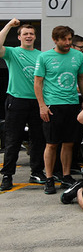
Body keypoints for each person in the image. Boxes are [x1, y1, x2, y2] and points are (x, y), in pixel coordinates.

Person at [34, 25, 83, 194]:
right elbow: (38, 82)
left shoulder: (77, 56)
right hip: (53, 106)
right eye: (64, 39)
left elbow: (81, 78)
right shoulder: (44, 57)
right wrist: (42, 105)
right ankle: (49, 178)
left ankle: (66, 176)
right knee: (51, 144)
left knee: (68, 143)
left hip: (72, 104)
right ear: (55, 40)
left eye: (69, 39)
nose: (67, 42)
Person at [0, 19, 45, 190]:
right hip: (16, 101)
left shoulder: (41, 56)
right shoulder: (12, 53)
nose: (28, 36)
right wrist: (9, 26)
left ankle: (36, 172)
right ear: (19, 37)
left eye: (31, 34)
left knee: (38, 139)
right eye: (25, 34)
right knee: (13, 140)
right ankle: (7, 176)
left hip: (37, 102)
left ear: (35, 37)